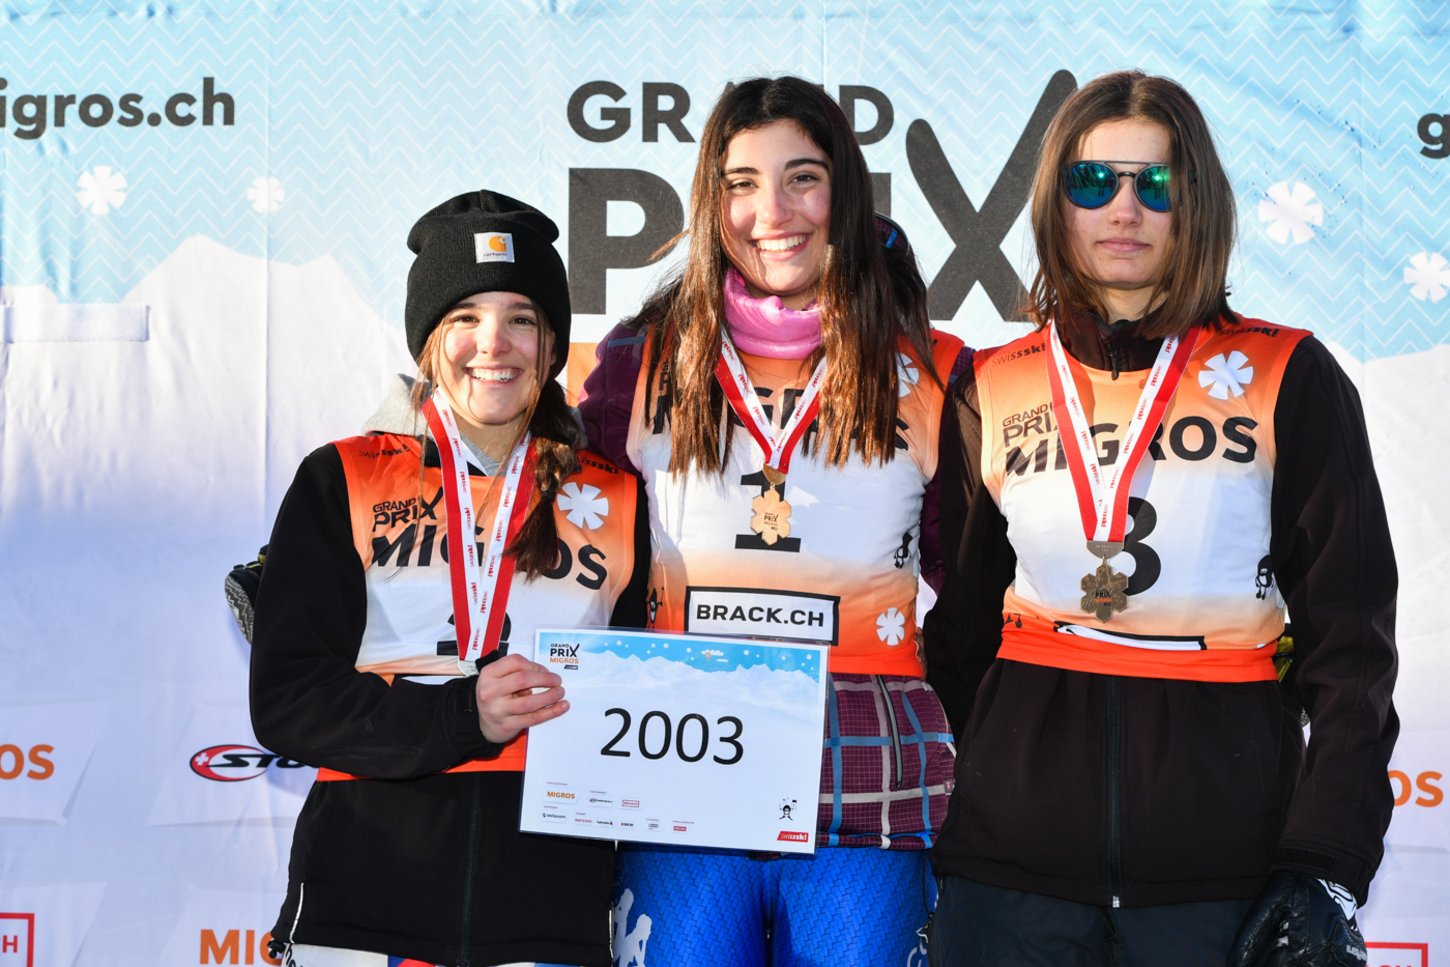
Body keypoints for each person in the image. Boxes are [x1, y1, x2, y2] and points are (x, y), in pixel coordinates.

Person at [922, 69, 1398, 966]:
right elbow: (962, 635)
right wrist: (962, 806)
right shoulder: (993, 382)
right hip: (1009, 872)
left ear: (1196, 201)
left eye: (1157, 183)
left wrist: (1325, 859)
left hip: (1221, 872)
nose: (1124, 208)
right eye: (1093, 181)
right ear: (1056, 200)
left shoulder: (1286, 374)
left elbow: (1352, 646)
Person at [579, 75, 965, 966]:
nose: (772, 213)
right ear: (711, 202)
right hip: (681, 771)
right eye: (742, 183)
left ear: (845, 193)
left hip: (862, 781)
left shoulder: (932, 367)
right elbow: (563, 531)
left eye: (802, 178)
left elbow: (985, 592)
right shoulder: (642, 358)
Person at [249, 190, 646, 967]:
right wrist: (463, 714)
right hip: (361, 909)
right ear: (429, 340)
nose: (494, 343)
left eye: (522, 318)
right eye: (465, 316)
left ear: (552, 346)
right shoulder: (343, 476)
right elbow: (288, 698)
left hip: (550, 917)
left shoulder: (616, 498)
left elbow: (639, 702)